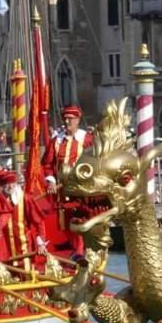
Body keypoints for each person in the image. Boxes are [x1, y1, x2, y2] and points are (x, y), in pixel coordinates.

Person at [41, 104, 95, 254]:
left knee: (81, 218)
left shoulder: (87, 140)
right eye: (65, 119)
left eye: (70, 119)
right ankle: (74, 249)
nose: (67, 122)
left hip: (82, 189)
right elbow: (47, 163)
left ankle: (82, 250)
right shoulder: (56, 141)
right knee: (64, 220)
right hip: (62, 190)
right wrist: (51, 180)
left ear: (77, 120)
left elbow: (95, 162)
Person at [1, 170, 46, 272]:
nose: (10, 186)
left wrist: (41, 242)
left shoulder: (25, 198)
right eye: (6, 184)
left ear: (16, 184)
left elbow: (39, 221)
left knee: (28, 277)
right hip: (6, 251)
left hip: (24, 248)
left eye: (12, 183)